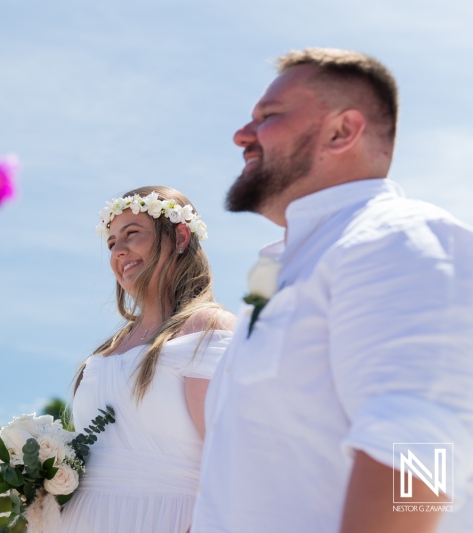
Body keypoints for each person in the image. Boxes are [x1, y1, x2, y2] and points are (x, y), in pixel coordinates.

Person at [192, 48, 473, 533]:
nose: (242, 134)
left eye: (269, 117)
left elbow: (421, 449)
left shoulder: (399, 239)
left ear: (343, 131)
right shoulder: (290, 265)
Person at [59, 186, 235, 533]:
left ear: (180, 236)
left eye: (132, 235)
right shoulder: (108, 348)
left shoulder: (206, 329)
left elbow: (233, 459)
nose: (118, 251)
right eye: (111, 243)